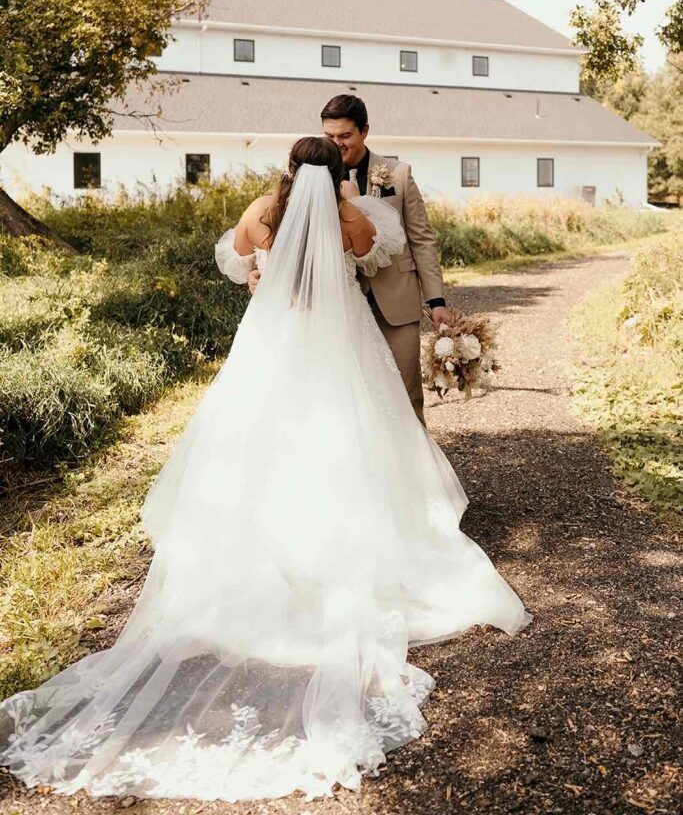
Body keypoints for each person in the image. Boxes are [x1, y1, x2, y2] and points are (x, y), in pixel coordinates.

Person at [0, 137, 532, 804]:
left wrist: (263, 272)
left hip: (272, 339)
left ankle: (256, 540)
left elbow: (236, 261)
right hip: (338, 344)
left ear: (286, 169)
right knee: (357, 437)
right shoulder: (352, 216)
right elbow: (374, 260)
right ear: (338, 172)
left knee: (256, 435)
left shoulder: (260, 208)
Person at [248, 94, 445, 426]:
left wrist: (436, 299)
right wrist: (257, 272)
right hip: (332, 307)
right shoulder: (306, 176)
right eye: (330, 136)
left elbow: (422, 240)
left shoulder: (397, 174)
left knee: (405, 396)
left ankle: (415, 473)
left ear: (364, 131)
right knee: (343, 401)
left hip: (394, 302)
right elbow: (283, 233)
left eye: (345, 136)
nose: (337, 144)